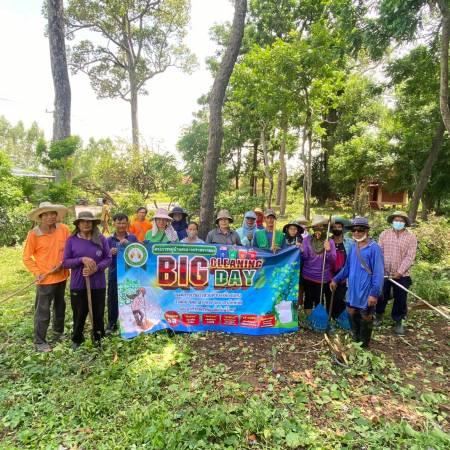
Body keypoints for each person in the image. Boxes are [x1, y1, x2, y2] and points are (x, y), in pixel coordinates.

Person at [23, 202, 70, 352]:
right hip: (45, 280)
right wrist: (38, 273)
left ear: (57, 215)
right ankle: (39, 341)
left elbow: (69, 249)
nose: (50, 217)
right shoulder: (34, 234)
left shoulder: (63, 229)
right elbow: (26, 258)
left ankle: (58, 333)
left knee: (60, 306)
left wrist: (64, 262)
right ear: (40, 217)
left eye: (53, 213)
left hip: (62, 276)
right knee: (42, 311)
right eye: (46, 214)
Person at [331, 217, 384, 348]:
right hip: (353, 288)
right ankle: (356, 338)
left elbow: (378, 272)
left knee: (366, 315)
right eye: (354, 230)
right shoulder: (354, 247)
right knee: (350, 310)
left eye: (360, 230)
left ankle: (364, 344)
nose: (357, 233)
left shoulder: (374, 248)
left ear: (366, 231)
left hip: (367, 289)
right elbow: (347, 268)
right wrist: (336, 279)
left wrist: (374, 293)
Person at [63, 211, 112, 349]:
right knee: (79, 312)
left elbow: (108, 258)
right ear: (78, 224)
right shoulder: (71, 240)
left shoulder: (101, 239)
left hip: (98, 283)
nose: (86, 223)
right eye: (83, 221)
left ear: (93, 224)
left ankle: (98, 336)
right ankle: (77, 338)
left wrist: (96, 268)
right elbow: (65, 262)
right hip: (78, 283)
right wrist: (81, 259)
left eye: (89, 221)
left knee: (98, 311)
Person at [375, 211, 418, 335]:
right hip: (384, 272)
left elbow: (410, 257)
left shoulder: (411, 237)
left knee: (401, 297)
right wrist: (380, 268)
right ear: (392, 221)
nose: (398, 222)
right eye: (396, 220)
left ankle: (398, 320)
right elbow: (379, 252)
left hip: (402, 274)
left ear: (405, 223)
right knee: (381, 294)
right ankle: (378, 315)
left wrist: (399, 272)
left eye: (401, 220)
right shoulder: (384, 234)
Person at [106, 213, 138, 333]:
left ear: (127, 224)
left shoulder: (133, 238)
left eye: (124, 223)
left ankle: (131, 322)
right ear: (114, 224)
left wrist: (128, 245)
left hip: (130, 274)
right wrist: (110, 252)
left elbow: (139, 254)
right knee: (113, 299)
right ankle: (112, 324)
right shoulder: (108, 240)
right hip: (114, 273)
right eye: (118, 223)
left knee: (131, 298)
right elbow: (104, 257)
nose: (121, 225)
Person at [300, 215, 336, 315]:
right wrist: (302, 252)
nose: (318, 230)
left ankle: (318, 319)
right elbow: (305, 258)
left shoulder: (330, 241)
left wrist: (328, 250)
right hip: (307, 275)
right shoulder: (307, 240)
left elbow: (333, 260)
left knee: (319, 299)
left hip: (322, 277)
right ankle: (309, 319)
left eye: (320, 227)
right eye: (316, 227)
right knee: (308, 298)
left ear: (324, 229)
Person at [329, 216, 353, 319]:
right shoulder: (328, 241)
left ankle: (340, 317)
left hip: (344, 274)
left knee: (341, 297)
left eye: (339, 227)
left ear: (342, 229)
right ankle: (330, 317)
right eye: (335, 227)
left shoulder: (349, 242)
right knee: (330, 297)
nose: (337, 229)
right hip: (329, 274)